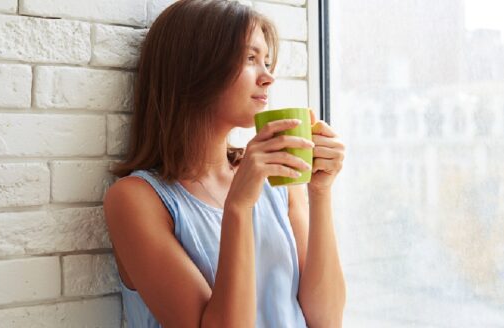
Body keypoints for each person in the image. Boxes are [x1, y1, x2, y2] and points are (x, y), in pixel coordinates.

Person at [103, 0, 346, 327]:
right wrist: (239, 207)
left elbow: (326, 320)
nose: (268, 77)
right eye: (250, 59)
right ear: (195, 68)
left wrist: (320, 191)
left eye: (267, 61)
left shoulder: (276, 182)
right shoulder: (136, 200)